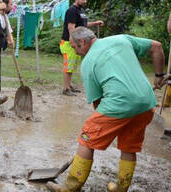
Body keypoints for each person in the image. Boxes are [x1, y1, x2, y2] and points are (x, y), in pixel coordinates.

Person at [47, 27, 165, 192]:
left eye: (74, 47)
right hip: (146, 103)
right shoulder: (121, 39)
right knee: (129, 146)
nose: (76, 51)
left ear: (82, 42)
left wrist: (101, 131)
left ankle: (70, 187)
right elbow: (157, 46)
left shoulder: (87, 64)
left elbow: (98, 103)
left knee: (87, 137)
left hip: (119, 103)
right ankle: (121, 188)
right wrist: (159, 75)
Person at [60, 0, 103, 96]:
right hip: (69, 43)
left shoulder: (81, 11)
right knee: (69, 66)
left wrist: (95, 23)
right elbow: (71, 27)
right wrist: (74, 42)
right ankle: (65, 89)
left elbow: (83, 24)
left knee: (73, 65)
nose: (85, 1)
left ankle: (69, 85)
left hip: (76, 43)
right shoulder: (71, 11)